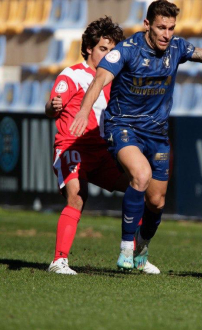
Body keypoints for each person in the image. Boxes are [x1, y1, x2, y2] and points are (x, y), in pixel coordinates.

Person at [69, 0, 202, 272]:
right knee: (141, 175)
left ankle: (141, 248)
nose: (166, 34)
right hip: (123, 126)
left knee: (157, 202)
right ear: (147, 25)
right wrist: (82, 112)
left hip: (157, 133)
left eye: (171, 28)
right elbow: (99, 79)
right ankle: (126, 247)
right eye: (161, 27)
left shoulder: (178, 48)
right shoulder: (127, 51)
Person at [45, 16, 159, 275]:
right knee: (77, 195)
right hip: (72, 148)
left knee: (140, 189)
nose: (108, 55)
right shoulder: (73, 75)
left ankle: (138, 257)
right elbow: (53, 105)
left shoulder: (114, 81)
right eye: (102, 49)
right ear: (88, 48)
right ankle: (59, 261)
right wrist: (52, 106)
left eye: (112, 50)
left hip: (102, 153)